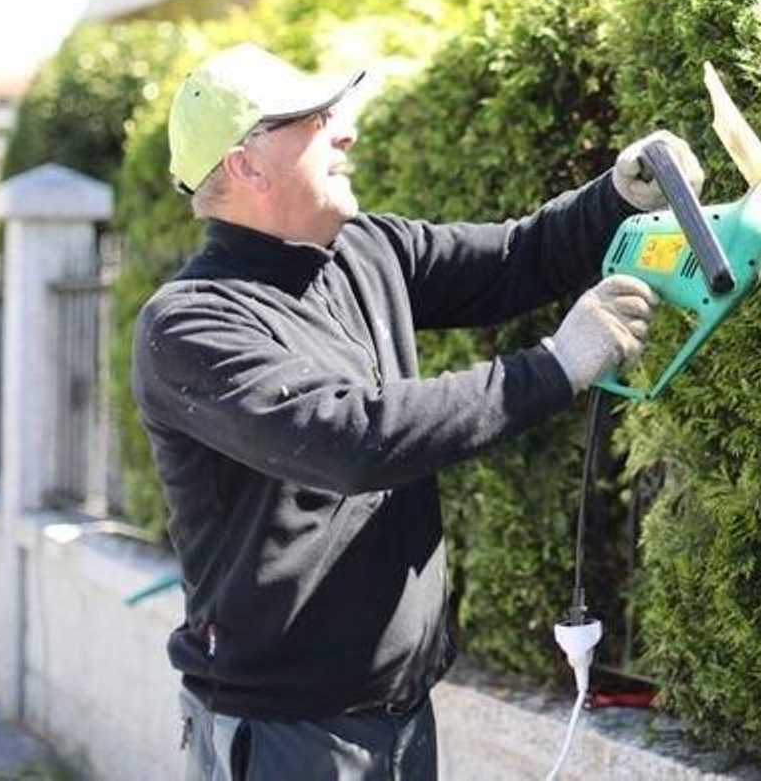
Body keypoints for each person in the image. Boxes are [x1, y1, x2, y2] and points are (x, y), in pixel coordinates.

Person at [131, 43, 703, 780]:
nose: (344, 131)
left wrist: (617, 196)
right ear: (246, 164)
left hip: (400, 716)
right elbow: (352, 440)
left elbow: (517, 259)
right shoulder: (192, 323)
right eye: (313, 118)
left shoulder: (365, 250)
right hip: (287, 734)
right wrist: (557, 367)